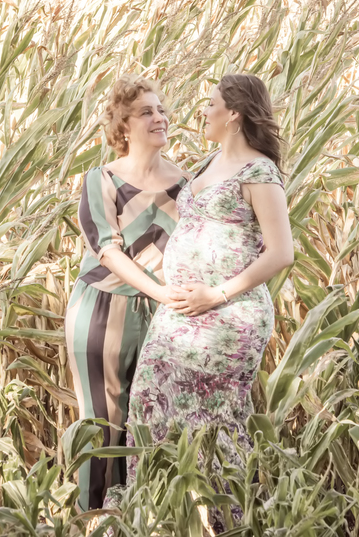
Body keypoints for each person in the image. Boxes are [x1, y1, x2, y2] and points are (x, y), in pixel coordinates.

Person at [106, 73, 294, 530]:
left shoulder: (259, 172)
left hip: (228, 318)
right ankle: (161, 519)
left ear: (233, 114)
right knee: (149, 406)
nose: (201, 112)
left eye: (210, 104)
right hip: (180, 314)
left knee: (212, 425)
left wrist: (218, 293)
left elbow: (282, 251)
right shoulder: (207, 163)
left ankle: (225, 523)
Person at [64, 74, 194, 514]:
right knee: (101, 425)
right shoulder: (100, 180)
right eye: (146, 112)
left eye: (161, 110)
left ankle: (144, 519)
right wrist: (160, 292)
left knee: (153, 425)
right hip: (102, 311)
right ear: (122, 127)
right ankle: (94, 521)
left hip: (164, 314)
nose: (160, 117)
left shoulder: (188, 186)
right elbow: (108, 251)